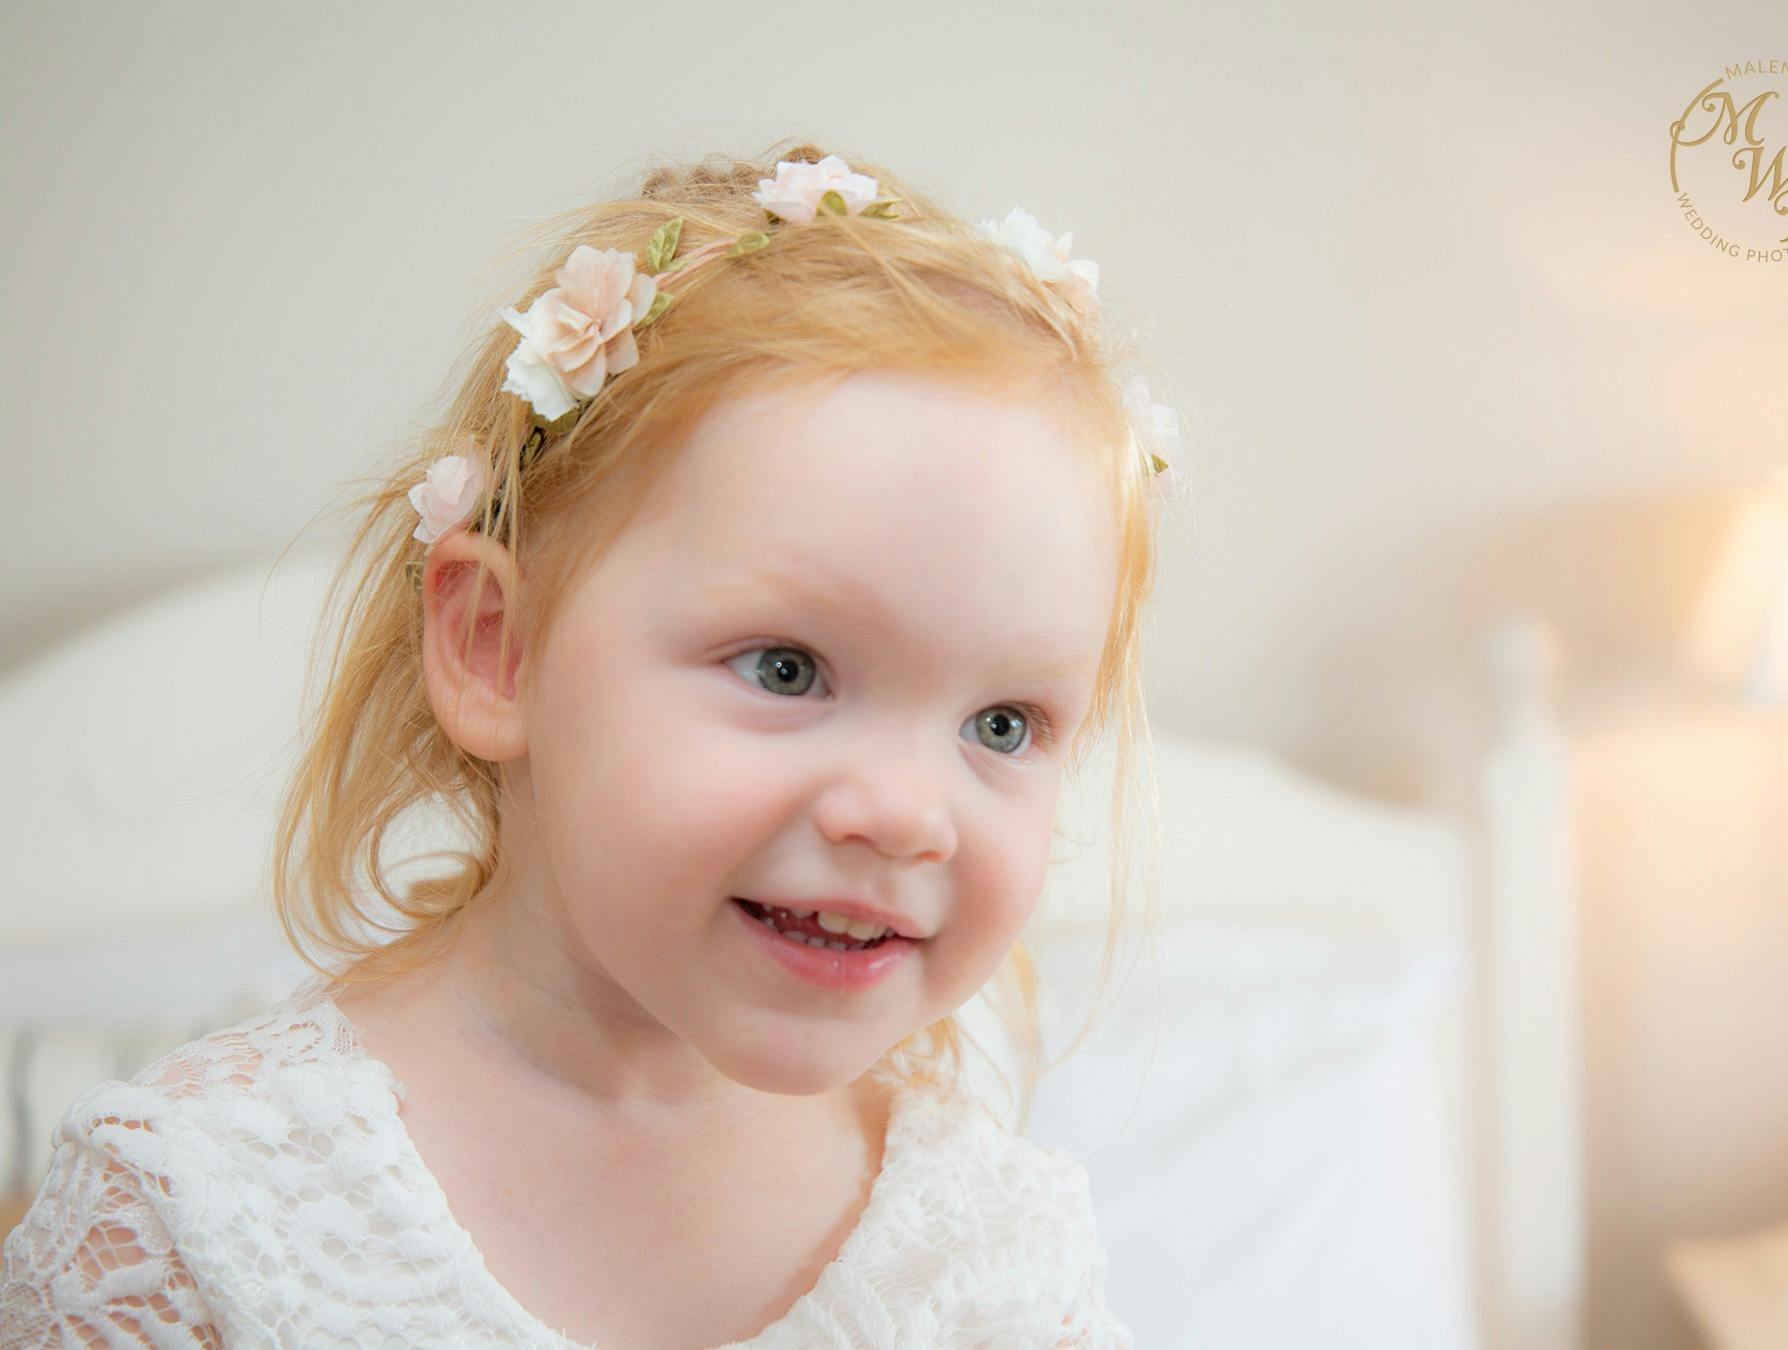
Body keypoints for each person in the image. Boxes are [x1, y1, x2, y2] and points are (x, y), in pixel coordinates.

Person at [0, 141, 1186, 1348]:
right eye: (785, 669)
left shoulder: (990, 1253)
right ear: (496, 648)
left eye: (1001, 725)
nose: (906, 814)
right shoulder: (193, 1223)